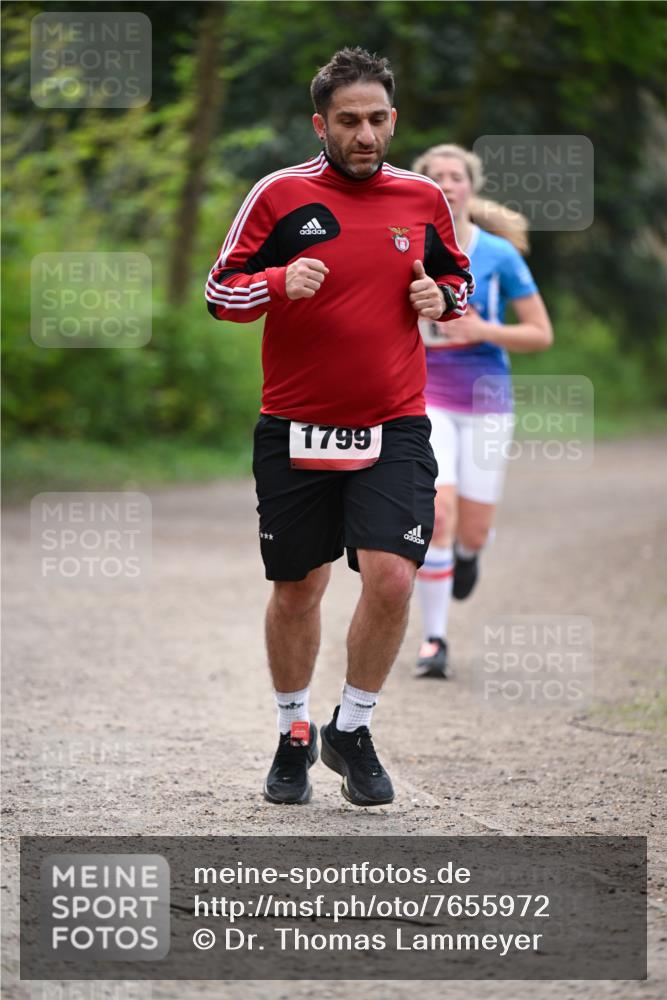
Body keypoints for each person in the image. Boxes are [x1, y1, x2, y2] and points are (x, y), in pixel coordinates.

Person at [205, 49, 473, 806]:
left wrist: (441, 300)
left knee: (390, 576)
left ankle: (351, 728)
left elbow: (457, 280)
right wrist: (276, 282)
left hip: (392, 424)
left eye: (377, 119)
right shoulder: (278, 194)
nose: (364, 134)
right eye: (349, 121)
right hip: (293, 426)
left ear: (394, 120)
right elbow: (219, 291)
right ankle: (295, 732)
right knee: (299, 588)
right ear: (320, 123)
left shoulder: (422, 197)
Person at [411, 144, 553, 678]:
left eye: (456, 176)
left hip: (488, 401)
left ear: (471, 186)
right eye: (437, 177)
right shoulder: (409, 247)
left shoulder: (497, 254)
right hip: (426, 397)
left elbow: (540, 333)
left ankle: (469, 556)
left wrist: (480, 330)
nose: (447, 184)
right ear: (425, 187)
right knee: (437, 515)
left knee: (472, 531)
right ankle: (434, 640)